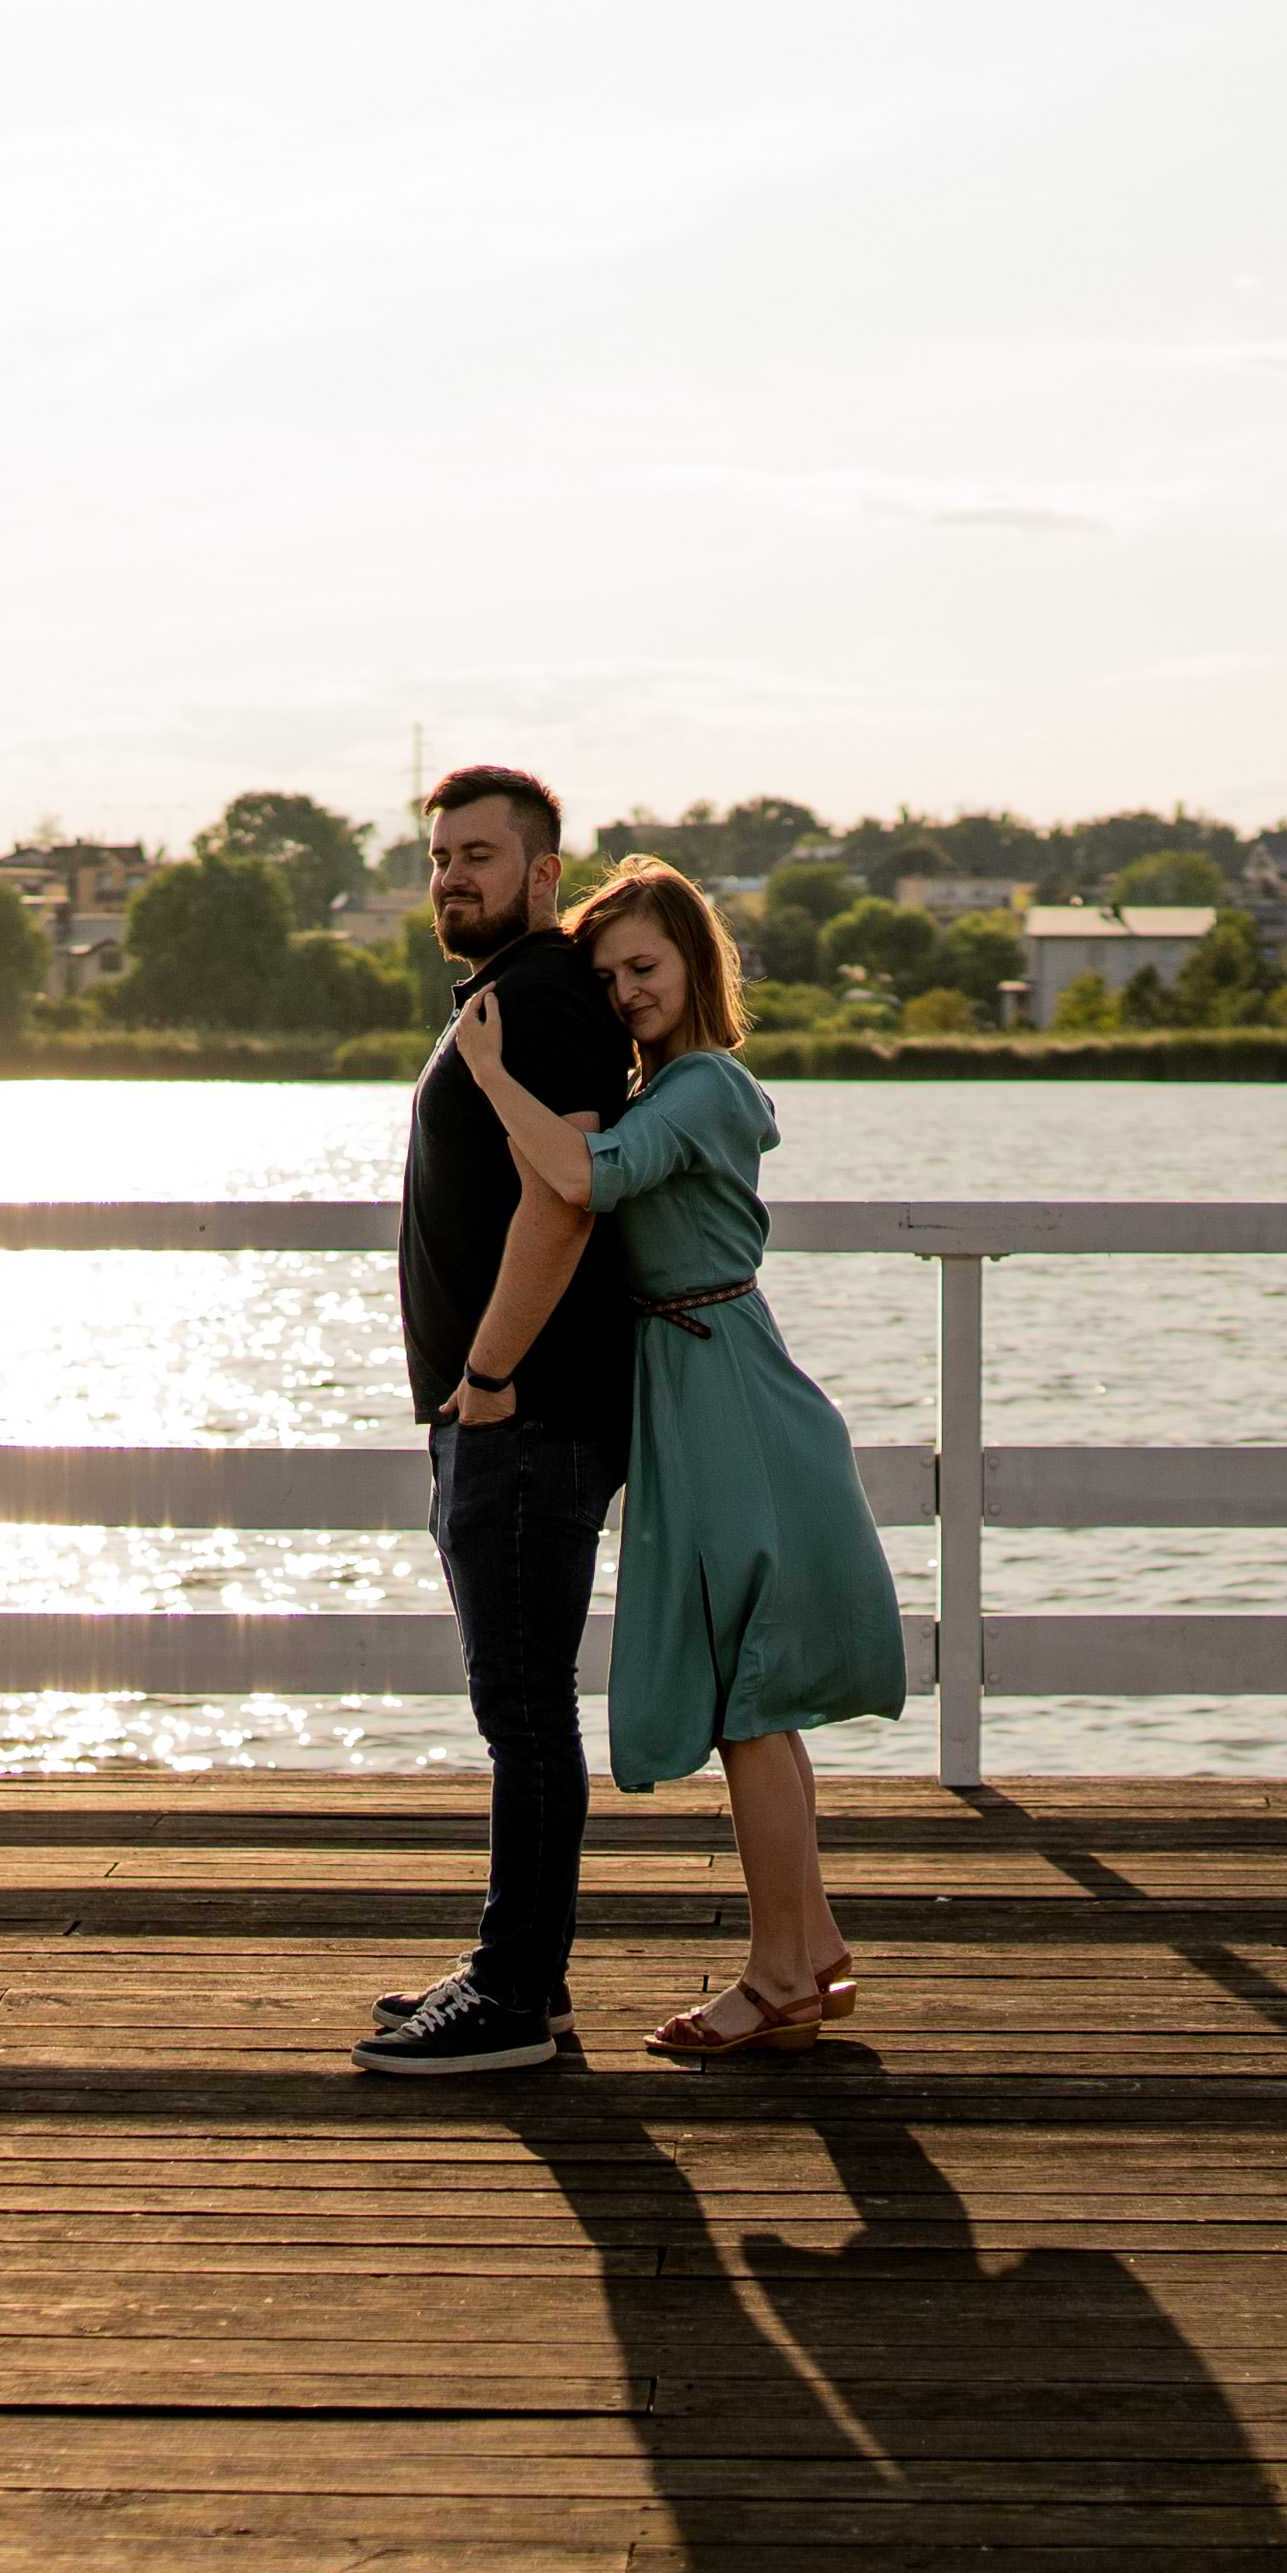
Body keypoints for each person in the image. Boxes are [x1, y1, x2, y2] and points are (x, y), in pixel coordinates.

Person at [446, 859, 908, 2056]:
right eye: (608, 977)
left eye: (644, 966)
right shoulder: (672, 1086)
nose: (626, 993)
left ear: (698, 961)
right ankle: (812, 1947)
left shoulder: (703, 1085)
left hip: (726, 1395)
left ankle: (775, 1978)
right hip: (706, 1380)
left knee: (749, 1698)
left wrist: (489, 1071)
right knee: (759, 1690)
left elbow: (583, 1177)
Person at [356, 763, 638, 2077]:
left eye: (478, 853)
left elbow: (561, 1197)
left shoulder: (539, 996)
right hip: (504, 1416)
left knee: (524, 1711)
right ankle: (518, 1968)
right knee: (519, 1708)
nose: (451, 876)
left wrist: (484, 1375)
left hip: (522, 1416)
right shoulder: (506, 993)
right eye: (438, 856)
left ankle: (514, 1997)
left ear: (542, 872)